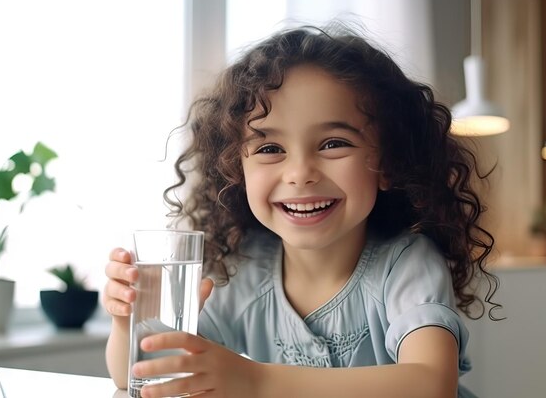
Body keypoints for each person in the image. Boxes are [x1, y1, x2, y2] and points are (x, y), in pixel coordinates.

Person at [104, 22, 500, 398]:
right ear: (235, 170)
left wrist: (255, 381)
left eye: (333, 144)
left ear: (388, 164)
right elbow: (142, 373)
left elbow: (431, 384)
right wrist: (127, 321)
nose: (300, 174)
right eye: (270, 148)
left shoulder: (405, 265)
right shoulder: (245, 271)